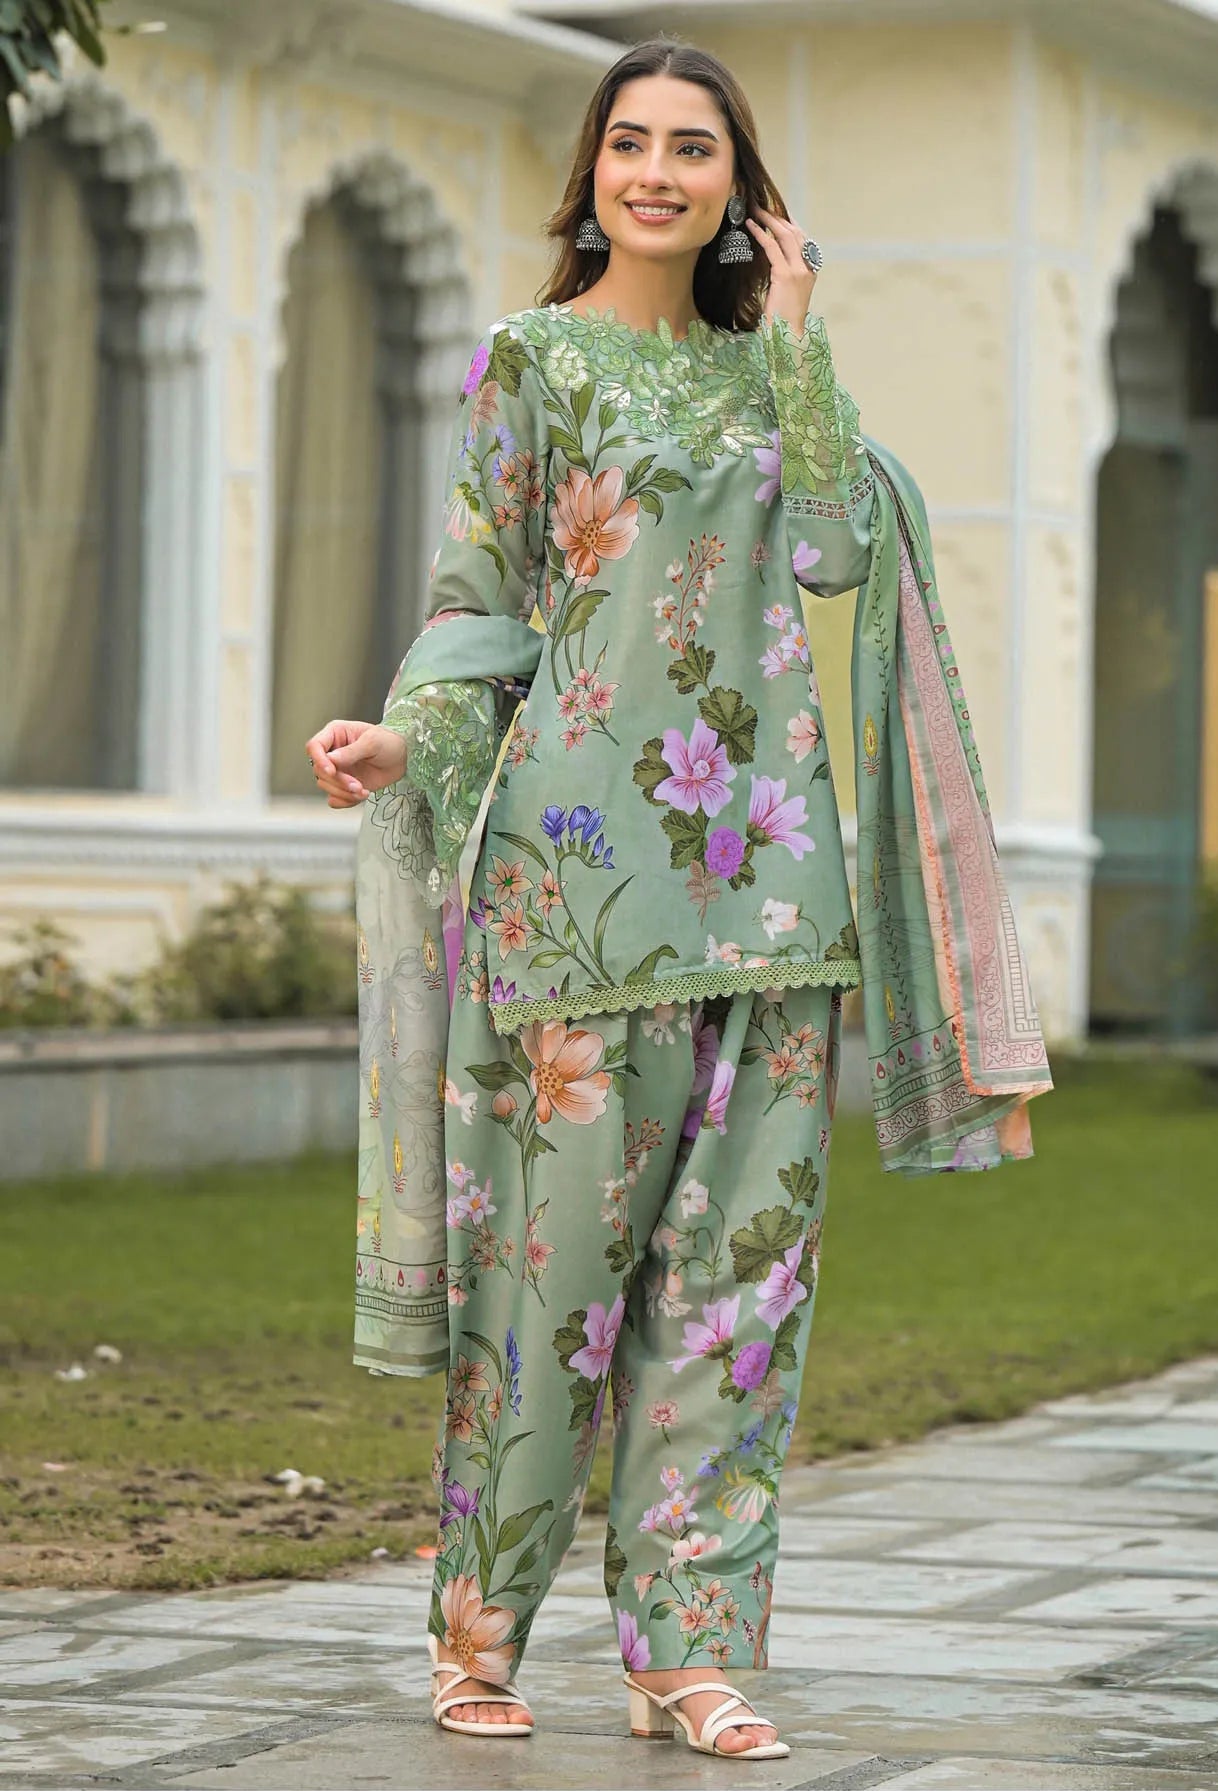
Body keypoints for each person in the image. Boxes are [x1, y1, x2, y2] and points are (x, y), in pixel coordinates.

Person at [305, 37, 1051, 1761]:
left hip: (772, 890)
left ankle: (685, 1655)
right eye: (629, 142)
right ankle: (478, 1637)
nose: (657, 171)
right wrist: (402, 743)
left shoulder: (771, 377)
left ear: (739, 187)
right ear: (592, 171)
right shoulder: (531, 359)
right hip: (569, 891)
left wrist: (793, 340)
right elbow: (481, 597)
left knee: (740, 1287)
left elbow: (838, 554)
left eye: (692, 149)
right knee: (548, 1289)